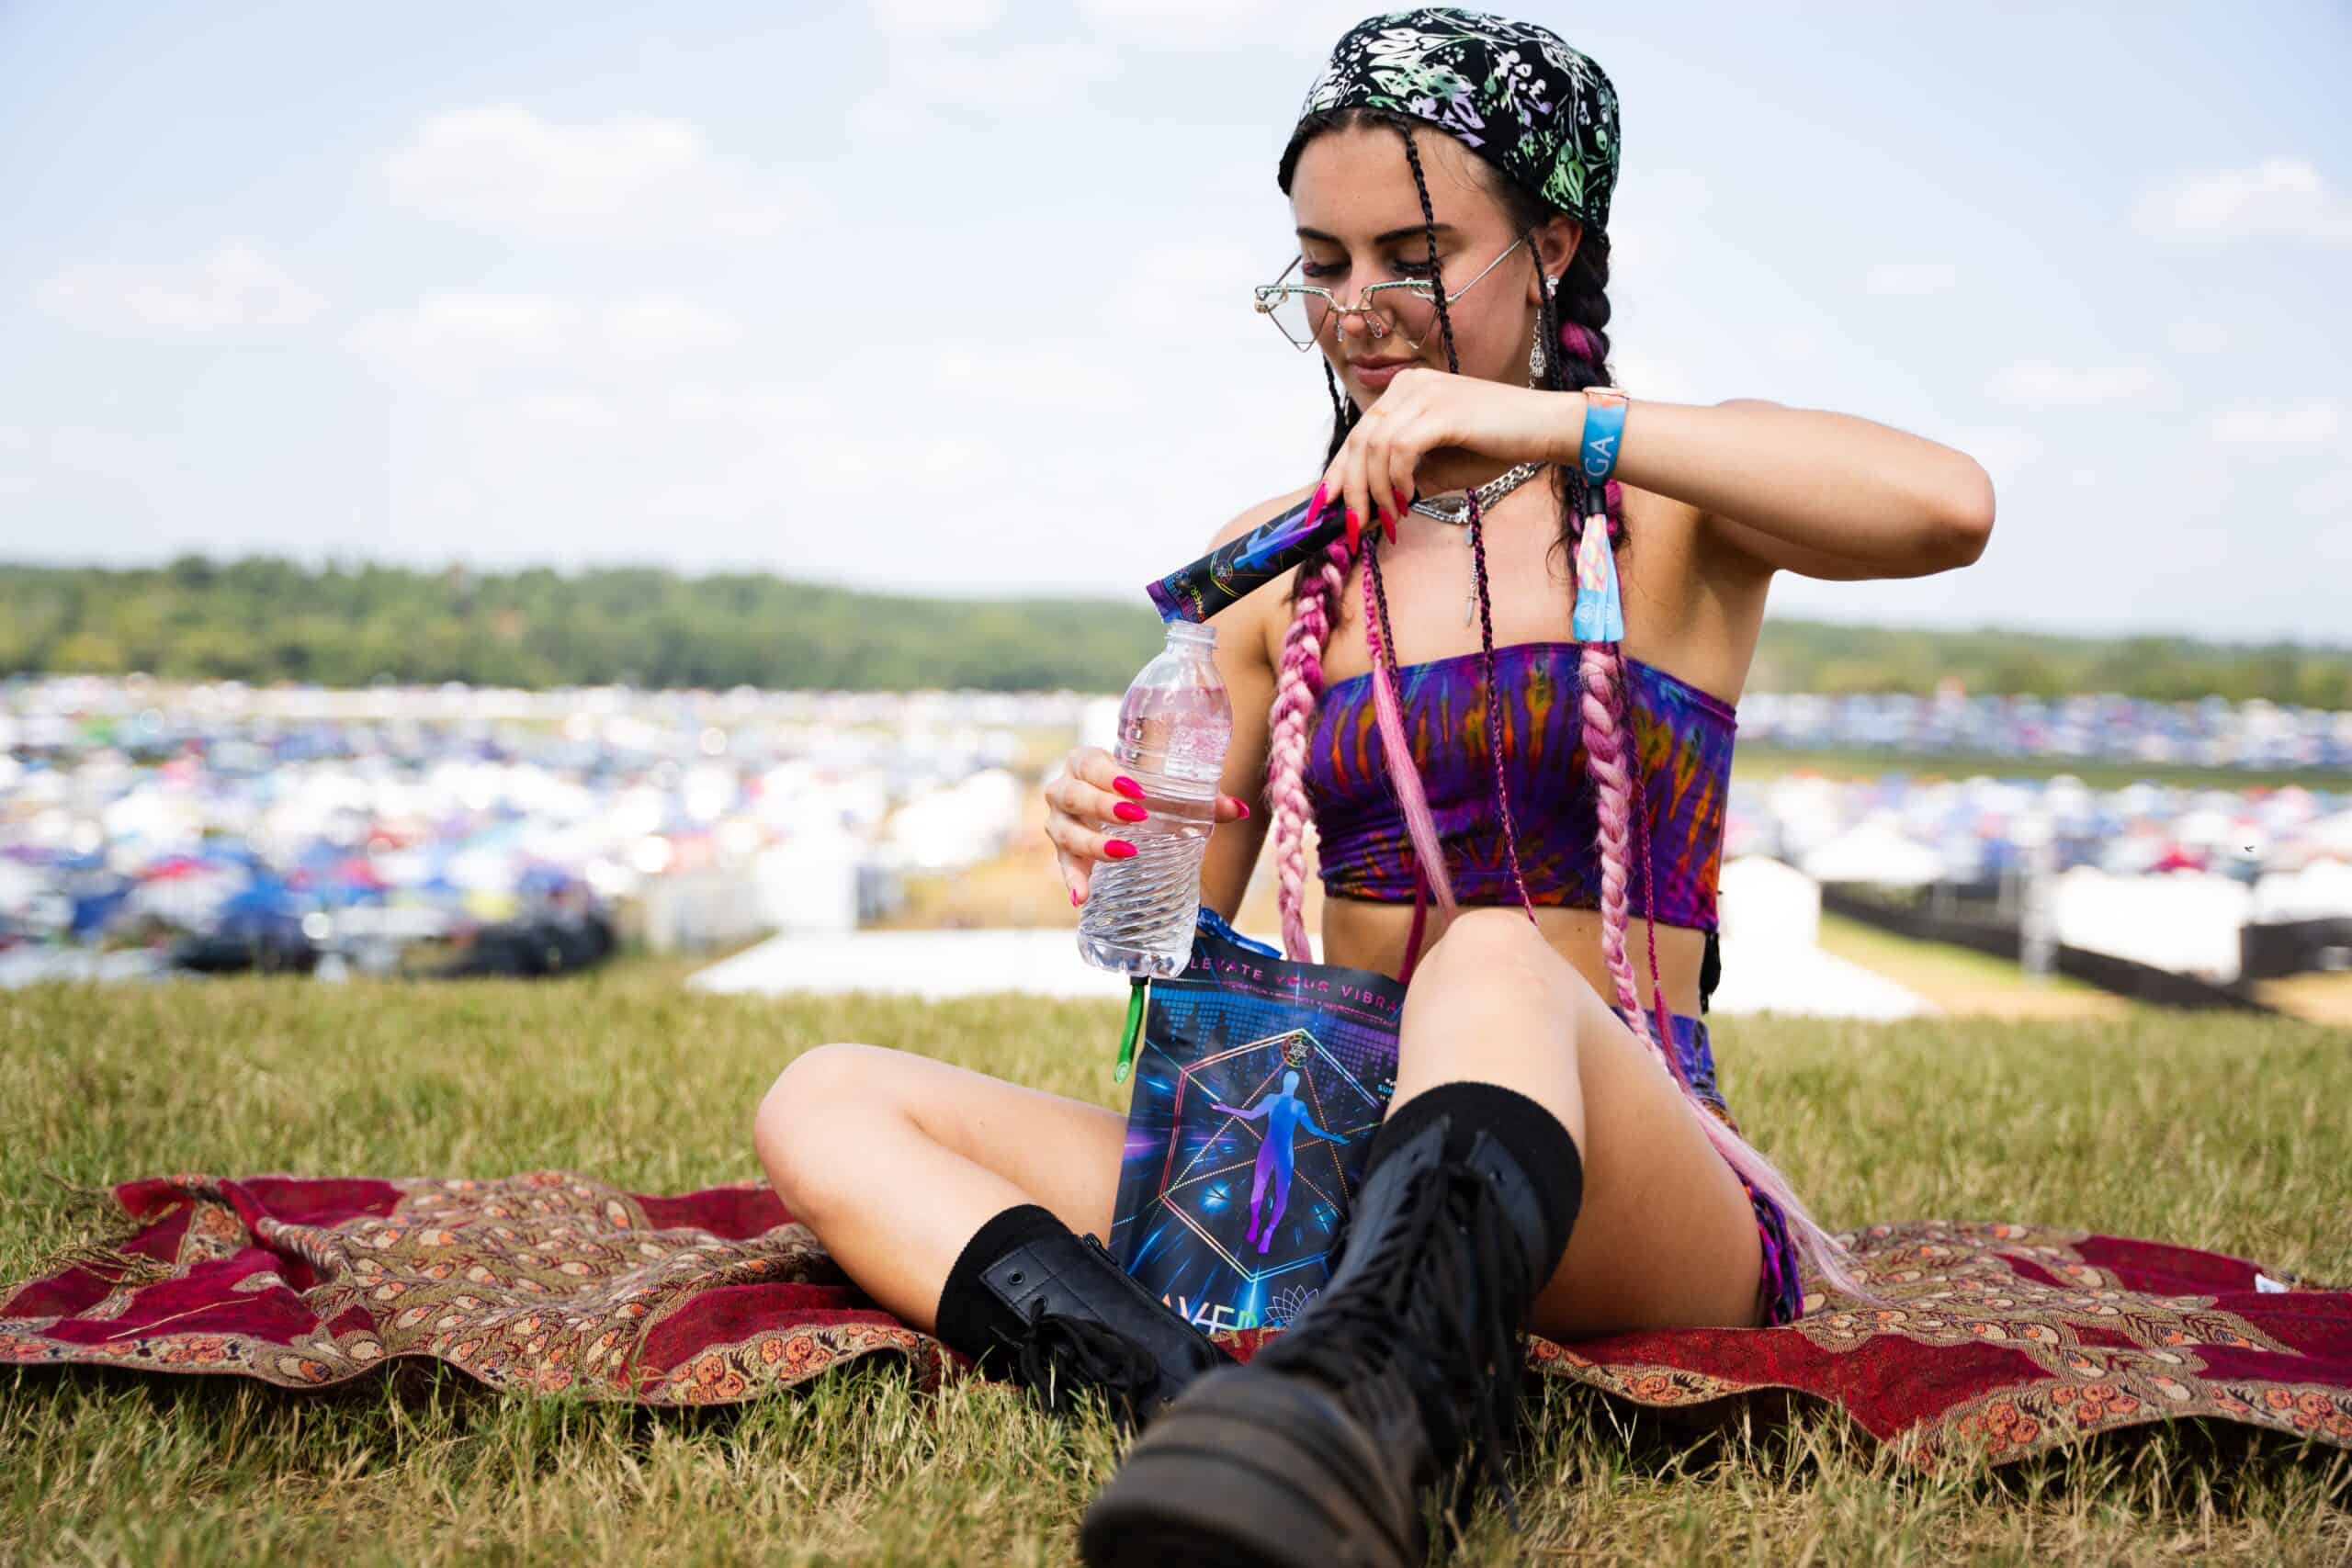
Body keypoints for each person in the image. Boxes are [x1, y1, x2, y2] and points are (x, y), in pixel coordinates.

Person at [752, 9, 1992, 1564]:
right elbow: (1176, 979)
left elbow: (1949, 506)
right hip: (1313, 1157)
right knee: (826, 1096)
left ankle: (1376, 1408)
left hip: (1619, 1174)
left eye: (1413, 252)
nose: (1359, 308)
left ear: (1549, 244)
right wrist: (1126, 847)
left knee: (1484, 951)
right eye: (1321, 264)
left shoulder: (1661, 506)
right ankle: (1188, 1392)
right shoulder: (1274, 565)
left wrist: (1540, 422)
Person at [1213, 1069, 1352, 1254]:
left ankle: (1268, 1232)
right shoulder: (1273, 1099)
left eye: (1291, 1081)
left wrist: (1333, 1138)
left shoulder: (1298, 1105)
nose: (1290, 1083)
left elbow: (1312, 1129)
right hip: (1270, 1150)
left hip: (1283, 1153)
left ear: (1293, 1084)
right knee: (1260, 1187)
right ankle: (1255, 1222)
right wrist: (1227, 1109)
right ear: (1287, 1083)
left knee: (1281, 1194)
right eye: (1289, 1080)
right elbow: (1252, 1115)